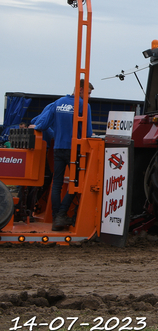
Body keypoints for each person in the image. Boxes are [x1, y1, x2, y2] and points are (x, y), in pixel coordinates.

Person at [30, 79, 94, 231]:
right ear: (80, 90)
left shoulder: (58, 103)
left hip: (58, 148)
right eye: (88, 93)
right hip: (75, 150)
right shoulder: (84, 106)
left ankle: (55, 217)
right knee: (76, 183)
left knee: (57, 184)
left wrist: (36, 126)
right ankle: (62, 214)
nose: (89, 97)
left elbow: (44, 124)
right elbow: (88, 132)